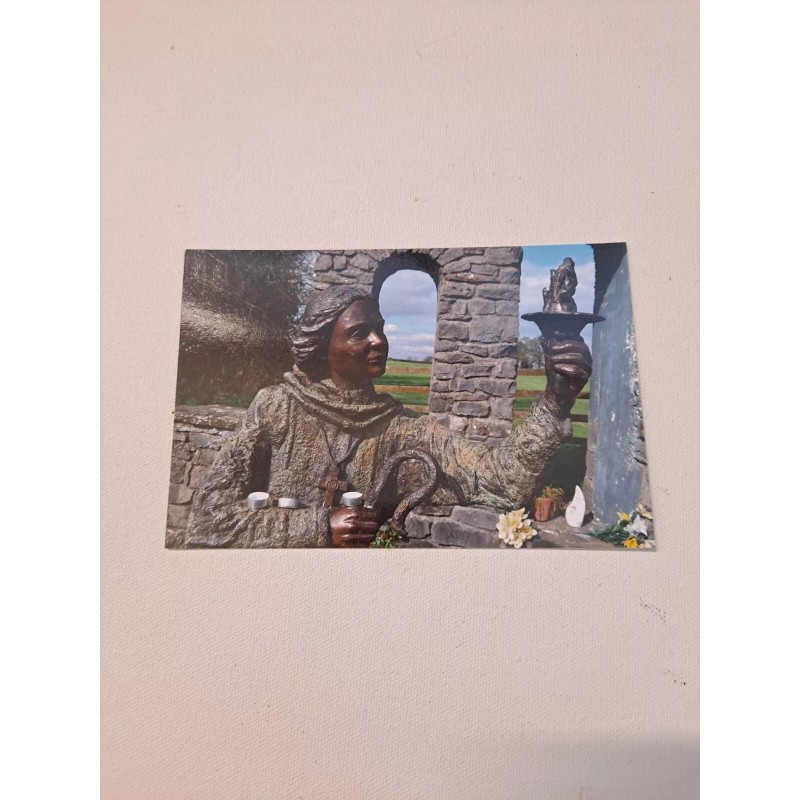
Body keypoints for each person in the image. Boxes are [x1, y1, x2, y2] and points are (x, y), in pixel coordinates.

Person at [185, 285, 591, 548]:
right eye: (359, 333)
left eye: (379, 328)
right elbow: (208, 520)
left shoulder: (401, 428)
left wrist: (555, 402)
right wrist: (319, 527)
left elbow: (499, 482)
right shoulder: (276, 408)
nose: (379, 340)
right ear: (322, 345)